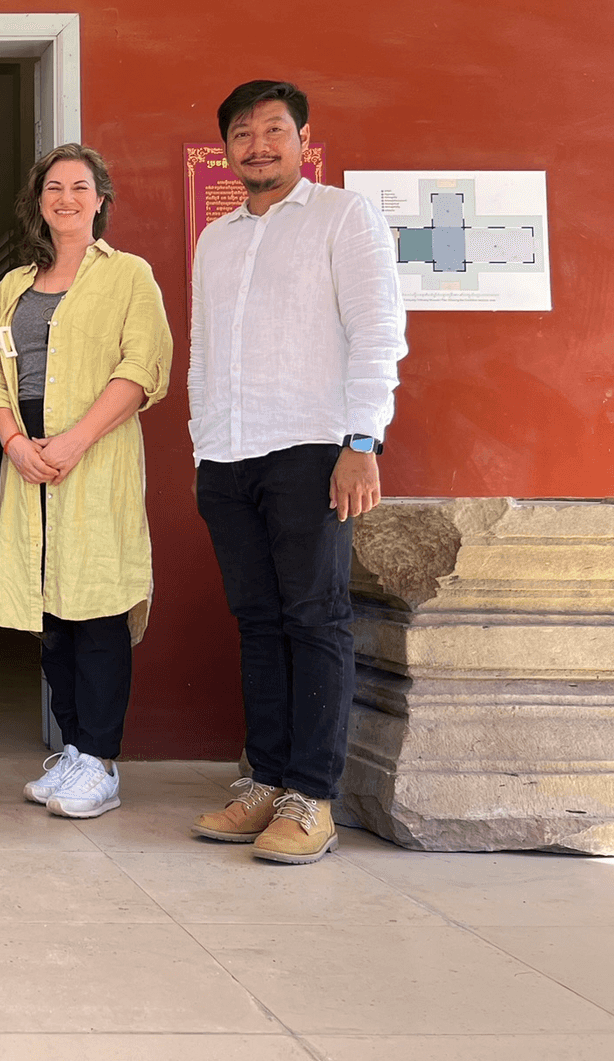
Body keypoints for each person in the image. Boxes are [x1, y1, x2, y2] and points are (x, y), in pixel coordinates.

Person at [188, 80, 406, 864]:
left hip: (315, 446)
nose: (257, 145)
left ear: (302, 137)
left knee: (315, 618)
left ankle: (311, 798)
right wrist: (201, 444)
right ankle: (266, 782)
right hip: (229, 454)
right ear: (226, 149)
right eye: (242, 134)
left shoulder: (346, 216)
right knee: (257, 621)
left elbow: (379, 329)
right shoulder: (217, 239)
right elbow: (206, 350)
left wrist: (362, 441)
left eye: (273, 130)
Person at [0, 145, 172, 820]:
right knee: (51, 616)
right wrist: (13, 442)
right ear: (38, 202)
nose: (65, 198)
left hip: (95, 459)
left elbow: (143, 367)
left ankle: (102, 760)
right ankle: (74, 753)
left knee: (98, 610)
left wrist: (74, 440)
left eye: (79, 187)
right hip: (27, 461)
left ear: (99, 200)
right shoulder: (11, 289)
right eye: (53, 187)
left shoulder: (129, 278)